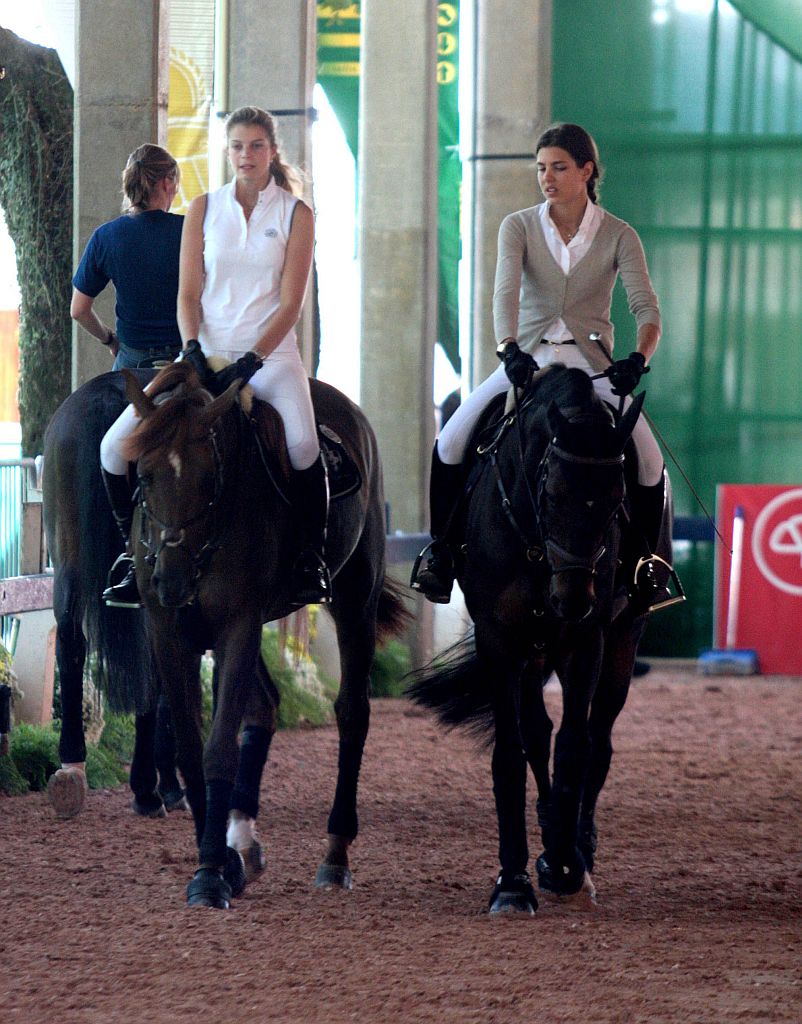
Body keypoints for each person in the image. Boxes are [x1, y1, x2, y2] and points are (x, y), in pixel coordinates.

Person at [411, 122, 669, 609]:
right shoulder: (519, 225)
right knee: (450, 442)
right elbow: (504, 293)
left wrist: (638, 359)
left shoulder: (619, 234)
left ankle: (643, 563)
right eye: (541, 168)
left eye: (558, 168)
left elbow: (646, 307)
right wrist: (508, 348)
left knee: (651, 461)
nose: (547, 178)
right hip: (527, 361)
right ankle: (441, 552)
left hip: (592, 366)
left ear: (586, 171)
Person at [176, 104, 330, 606]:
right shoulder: (202, 207)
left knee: (304, 444)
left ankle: (311, 557)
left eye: (256, 146)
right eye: (238, 146)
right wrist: (192, 347)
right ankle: (132, 557)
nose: (247, 155)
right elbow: (188, 293)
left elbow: (291, 304)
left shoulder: (296, 213)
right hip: (206, 357)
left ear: (272, 151)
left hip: (271, 359)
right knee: (122, 443)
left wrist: (253, 359)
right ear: (227, 151)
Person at [73, 144, 184, 607]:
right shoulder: (189, 232)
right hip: (183, 369)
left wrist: (110, 340)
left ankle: (126, 551)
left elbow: (79, 309)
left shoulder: (107, 236)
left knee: (110, 455)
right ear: (166, 183)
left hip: (132, 371)